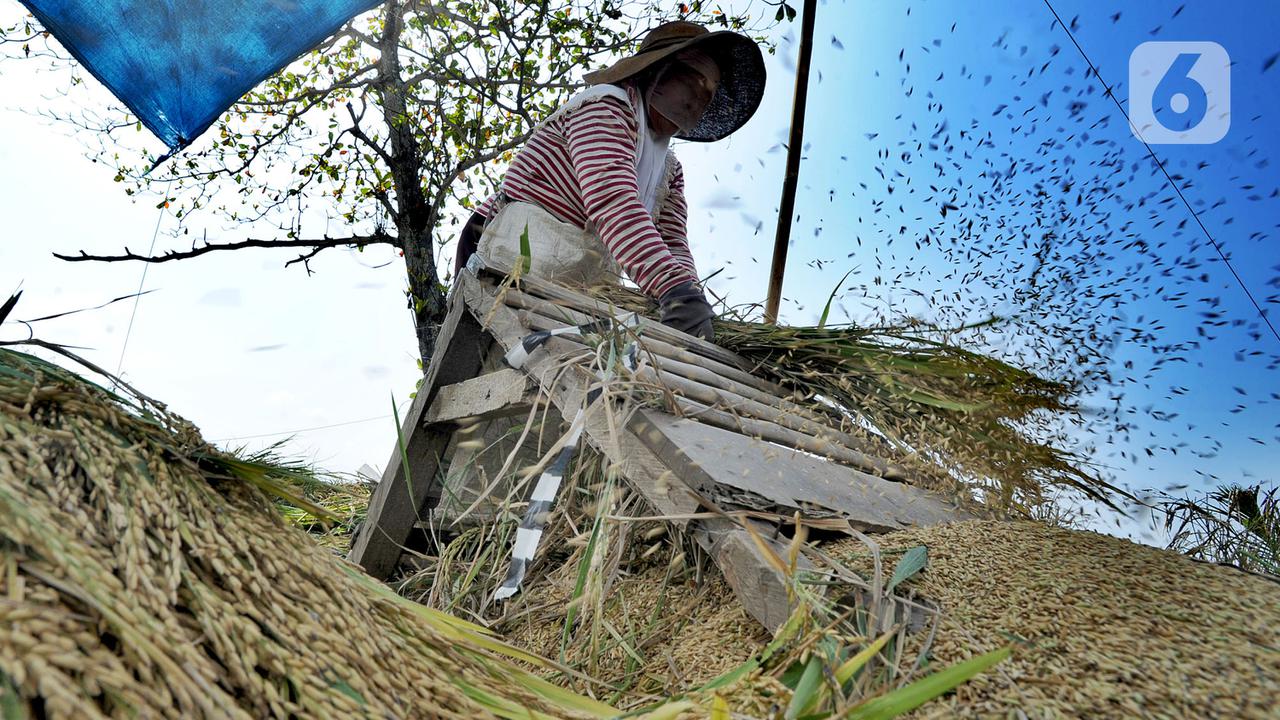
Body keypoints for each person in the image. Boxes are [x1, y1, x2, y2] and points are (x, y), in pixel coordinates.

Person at [454, 20, 765, 342]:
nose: (699, 99)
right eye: (694, 82)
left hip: (580, 275)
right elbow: (612, 200)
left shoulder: (669, 170)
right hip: (517, 248)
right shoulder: (605, 107)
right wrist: (672, 288)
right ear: (659, 72)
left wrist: (691, 297)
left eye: (709, 92)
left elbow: (673, 244)